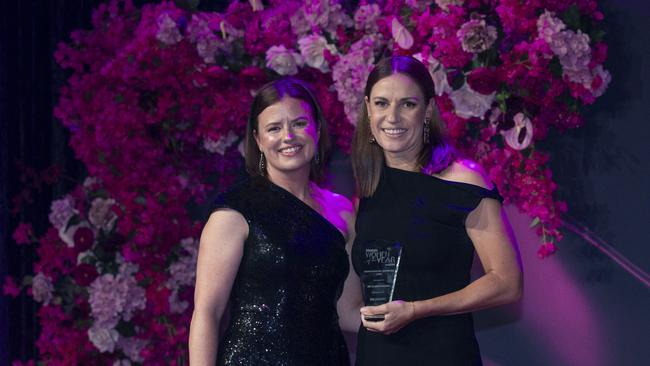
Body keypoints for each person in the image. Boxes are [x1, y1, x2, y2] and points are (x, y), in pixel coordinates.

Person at [350, 56, 523, 365]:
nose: (392, 117)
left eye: (407, 104)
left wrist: (417, 310)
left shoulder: (463, 179)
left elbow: (506, 283)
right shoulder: (368, 190)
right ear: (367, 107)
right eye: (381, 103)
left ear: (428, 109)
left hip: (441, 354)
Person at [188, 78, 356, 365]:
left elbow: (348, 312)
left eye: (299, 123)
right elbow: (207, 313)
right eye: (274, 128)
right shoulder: (235, 212)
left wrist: (416, 314)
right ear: (258, 141)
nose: (288, 136)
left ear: (317, 129)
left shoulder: (341, 211)